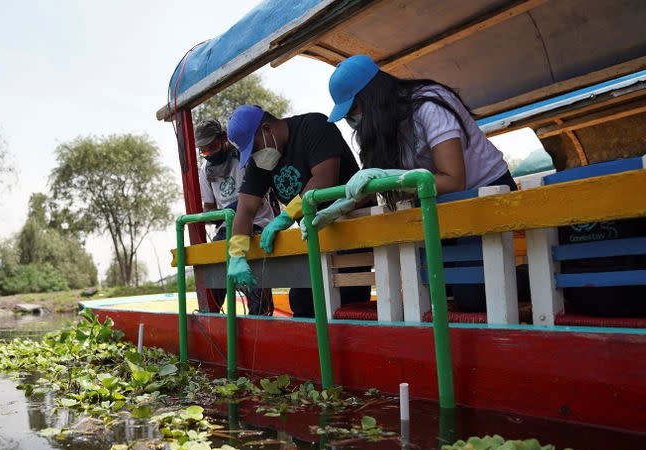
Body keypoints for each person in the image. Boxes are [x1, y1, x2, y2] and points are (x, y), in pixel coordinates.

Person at [315, 55, 518, 313]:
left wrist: (394, 178)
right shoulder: (385, 129)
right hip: (441, 207)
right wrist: (337, 208)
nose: (350, 121)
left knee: (473, 297)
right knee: (432, 290)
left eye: (352, 111)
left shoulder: (429, 105)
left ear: (371, 98)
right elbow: (369, 183)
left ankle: (525, 276)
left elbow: (454, 180)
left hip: (484, 195)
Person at [225, 105, 370, 317]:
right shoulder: (262, 160)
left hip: (350, 227)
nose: (255, 156)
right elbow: (246, 208)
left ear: (267, 129)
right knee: (302, 302)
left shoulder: (314, 126)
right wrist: (237, 253)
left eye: (254, 148)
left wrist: (286, 216)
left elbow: (324, 179)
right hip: (313, 234)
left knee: (347, 303)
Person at [195, 118, 274, 316]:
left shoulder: (243, 157)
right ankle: (212, 318)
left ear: (223, 139)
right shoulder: (205, 171)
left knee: (255, 278)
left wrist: (232, 209)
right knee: (212, 269)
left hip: (256, 223)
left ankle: (260, 318)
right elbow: (209, 209)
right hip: (227, 228)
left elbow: (255, 196)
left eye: (212, 147)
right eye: (204, 151)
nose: (209, 154)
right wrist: (216, 215)